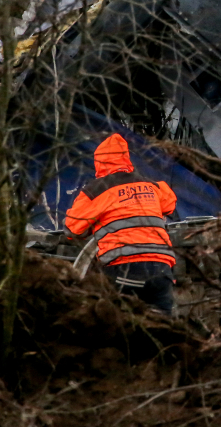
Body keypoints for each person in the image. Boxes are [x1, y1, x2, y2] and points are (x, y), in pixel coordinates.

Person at [65, 132, 178, 314]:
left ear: (99, 163)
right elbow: (169, 203)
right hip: (162, 268)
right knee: (163, 329)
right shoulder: (152, 186)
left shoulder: (97, 190)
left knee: (117, 324)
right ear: (126, 158)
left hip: (125, 268)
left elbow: (72, 229)